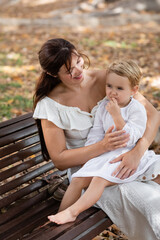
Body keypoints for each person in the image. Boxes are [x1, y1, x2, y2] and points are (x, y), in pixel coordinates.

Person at [33, 38, 160, 240]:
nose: (78, 71)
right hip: (89, 173)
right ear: (52, 73)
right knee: (150, 202)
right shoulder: (49, 105)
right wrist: (102, 146)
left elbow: (152, 115)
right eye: (68, 71)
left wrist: (138, 152)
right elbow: (60, 160)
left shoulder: (107, 80)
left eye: (78, 61)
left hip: (127, 156)